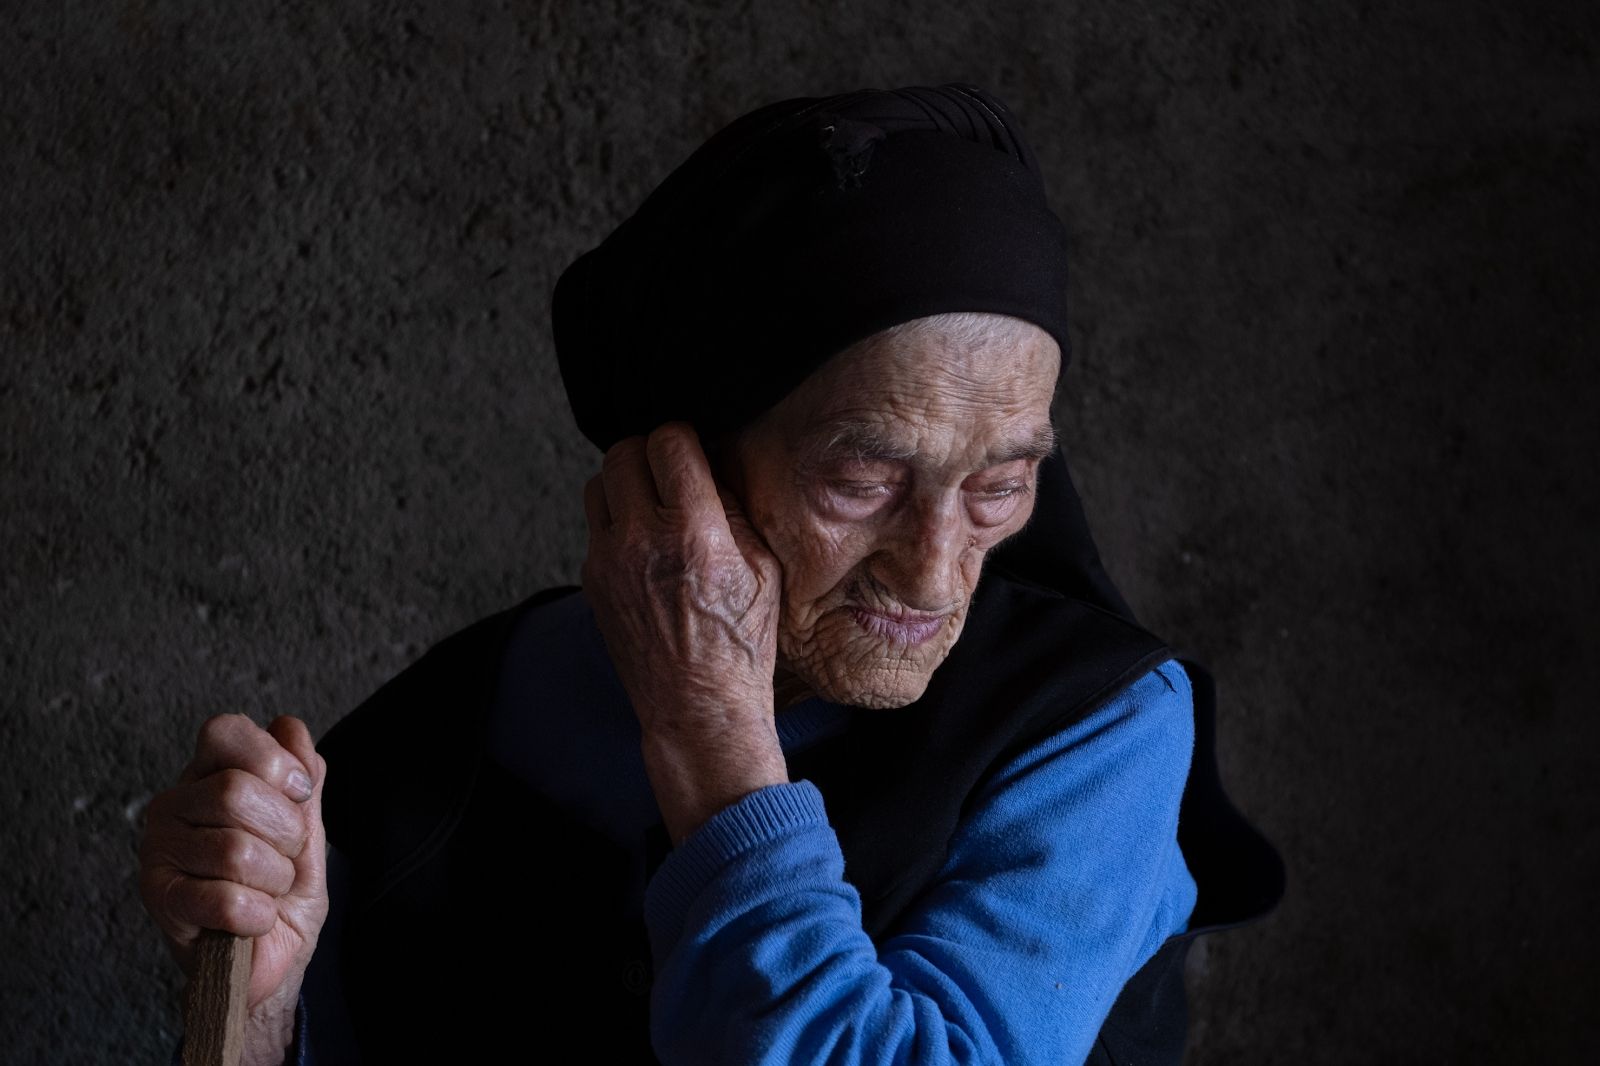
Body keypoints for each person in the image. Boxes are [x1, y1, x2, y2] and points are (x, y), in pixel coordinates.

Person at [139, 84, 1282, 1065]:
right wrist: (261, 1009)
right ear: (677, 464)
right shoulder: (465, 715)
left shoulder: (1097, 730)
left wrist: (711, 733)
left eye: (1000, 484)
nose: (936, 570)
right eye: (864, 477)